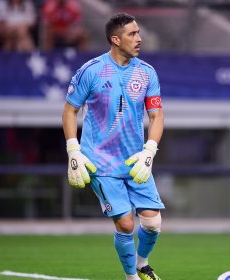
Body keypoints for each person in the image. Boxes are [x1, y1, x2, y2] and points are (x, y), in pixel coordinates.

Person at [62, 13, 164, 280]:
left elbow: (156, 116)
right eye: (132, 34)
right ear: (115, 39)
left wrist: (149, 152)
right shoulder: (91, 71)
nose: (139, 39)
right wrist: (73, 150)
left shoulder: (147, 73)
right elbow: (70, 110)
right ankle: (131, 278)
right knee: (126, 223)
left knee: (152, 223)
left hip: (134, 160)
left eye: (139, 33)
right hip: (101, 161)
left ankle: (142, 264)